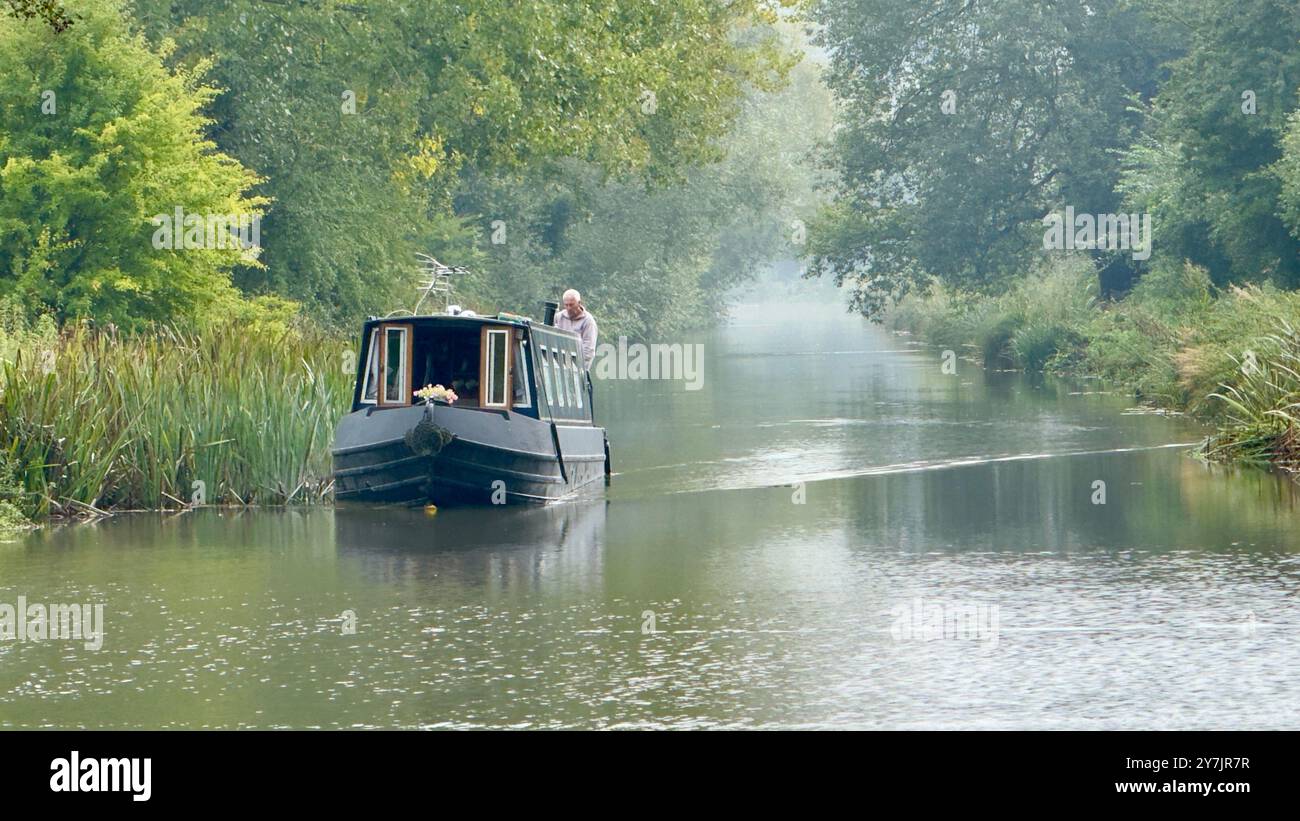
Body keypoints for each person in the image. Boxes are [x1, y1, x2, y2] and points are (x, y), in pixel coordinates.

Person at [554, 288, 597, 369]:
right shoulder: (558, 317)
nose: (569, 308)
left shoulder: (588, 322)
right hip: (559, 366)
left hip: (578, 368)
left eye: (571, 304)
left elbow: (588, 351)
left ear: (579, 303)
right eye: (566, 305)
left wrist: (573, 366)